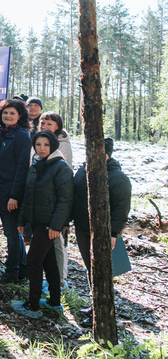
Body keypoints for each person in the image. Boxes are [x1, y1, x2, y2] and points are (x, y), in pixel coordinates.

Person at [11, 130, 73, 319]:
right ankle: (54, 302)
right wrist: (22, 220)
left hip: (48, 225)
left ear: (53, 145)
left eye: (46, 145)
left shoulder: (61, 167)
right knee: (49, 261)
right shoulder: (36, 164)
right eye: (38, 145)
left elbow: (65, 200)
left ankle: (33, 306)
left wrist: (56, 225)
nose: (42, 148)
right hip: (36, 222)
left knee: (34, 261)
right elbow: (28, 195)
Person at [71, 137, 132, 324]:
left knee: (103, 271)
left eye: (99, 151)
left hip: (104, 232)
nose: (93, 155)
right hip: (82, 227)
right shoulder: (83, 170)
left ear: (107, 154)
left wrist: (113, 233)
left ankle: (104, 311)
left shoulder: (118, 178)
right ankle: (94, 306)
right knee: (91, 269)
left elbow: (122, 208)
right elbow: (74, 195)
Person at [0, 99, 32, 284]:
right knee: (12, 233)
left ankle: (11, 272)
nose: (8, 116)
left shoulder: (22, 135)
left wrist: (14, 196)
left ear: (20, 116)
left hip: (12, 192)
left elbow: (22, 167)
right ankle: (22, 269)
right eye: (5, 113)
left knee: (12, 234)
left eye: (12, 113)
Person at [38, 111, 73, 294]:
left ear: (57, 126)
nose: (45, 126)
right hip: (41, 200)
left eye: (49, 123)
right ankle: (50, 279)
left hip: (55, 200)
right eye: (42, 123)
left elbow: (63, 175)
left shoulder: (63, 145)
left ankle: (60, 281)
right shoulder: (39, 140)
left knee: (57, 241)